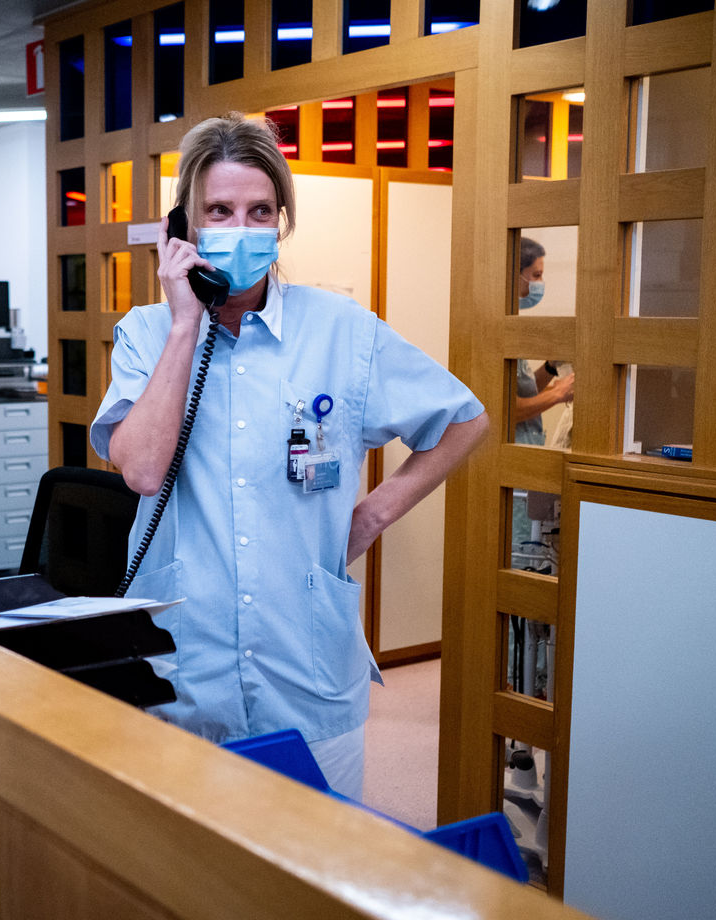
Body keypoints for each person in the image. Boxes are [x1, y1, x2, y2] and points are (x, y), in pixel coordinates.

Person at [90, 113, 488, 799]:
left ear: (281, 222)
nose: (242, 229)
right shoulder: (147, 333)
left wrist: (373, 515)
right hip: (184, 672)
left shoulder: (343, 330)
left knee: (316, 857)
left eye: (260, 212)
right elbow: (144, 470)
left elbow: (464, 419)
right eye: (219, 211)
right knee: (188, 858)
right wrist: (185, 324)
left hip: (307, 668)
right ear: (183, 225)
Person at [513, 237, 574, 445]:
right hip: (507, 455)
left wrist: (550, 367)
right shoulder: (491, 330)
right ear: (513, 275)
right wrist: (558, 393)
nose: (540, 283)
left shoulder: (512, 324)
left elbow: (525, 393)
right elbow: (503, 408)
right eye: (536, 275)